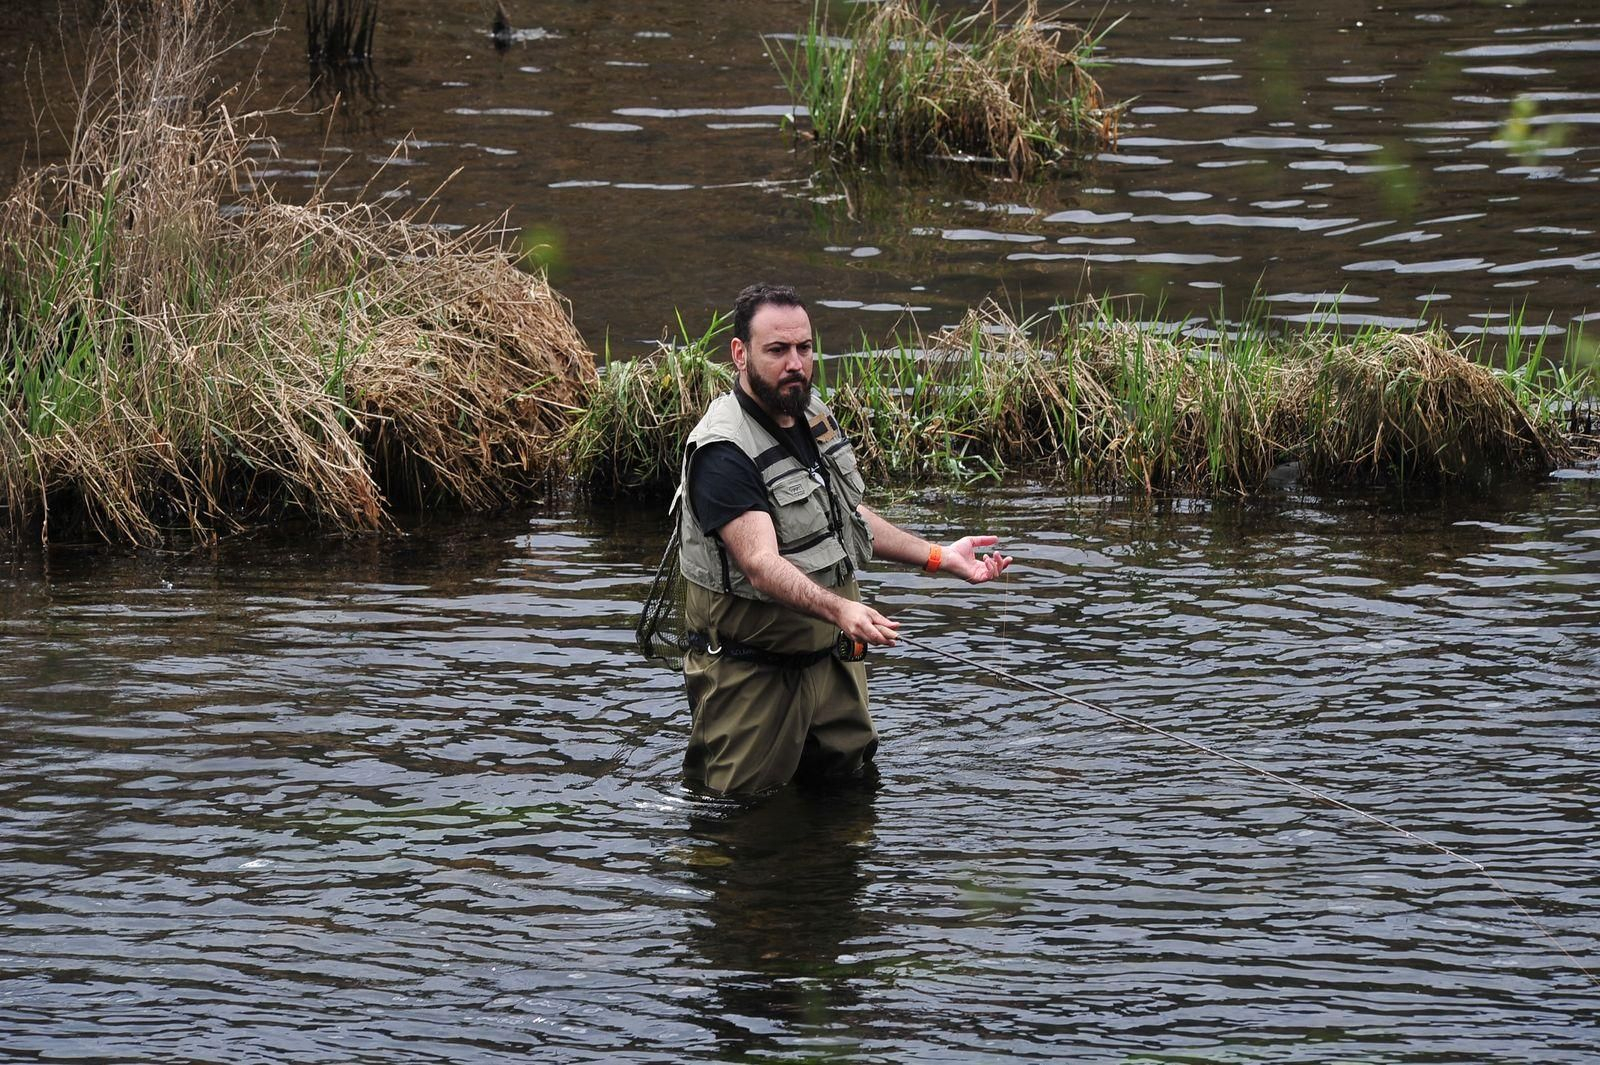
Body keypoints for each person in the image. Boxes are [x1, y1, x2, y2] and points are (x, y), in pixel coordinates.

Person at [676, 283, 1012, 796]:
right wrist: (841, 611)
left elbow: (844, 518)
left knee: (849, 790)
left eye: (805, 348)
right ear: (739, 354)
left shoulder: (811, 414)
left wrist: (940, 557)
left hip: (832, 664)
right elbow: (760, 564)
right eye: (778, 350)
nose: (796, 364)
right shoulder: (723, 450)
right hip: (751, 676)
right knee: (741, 820)